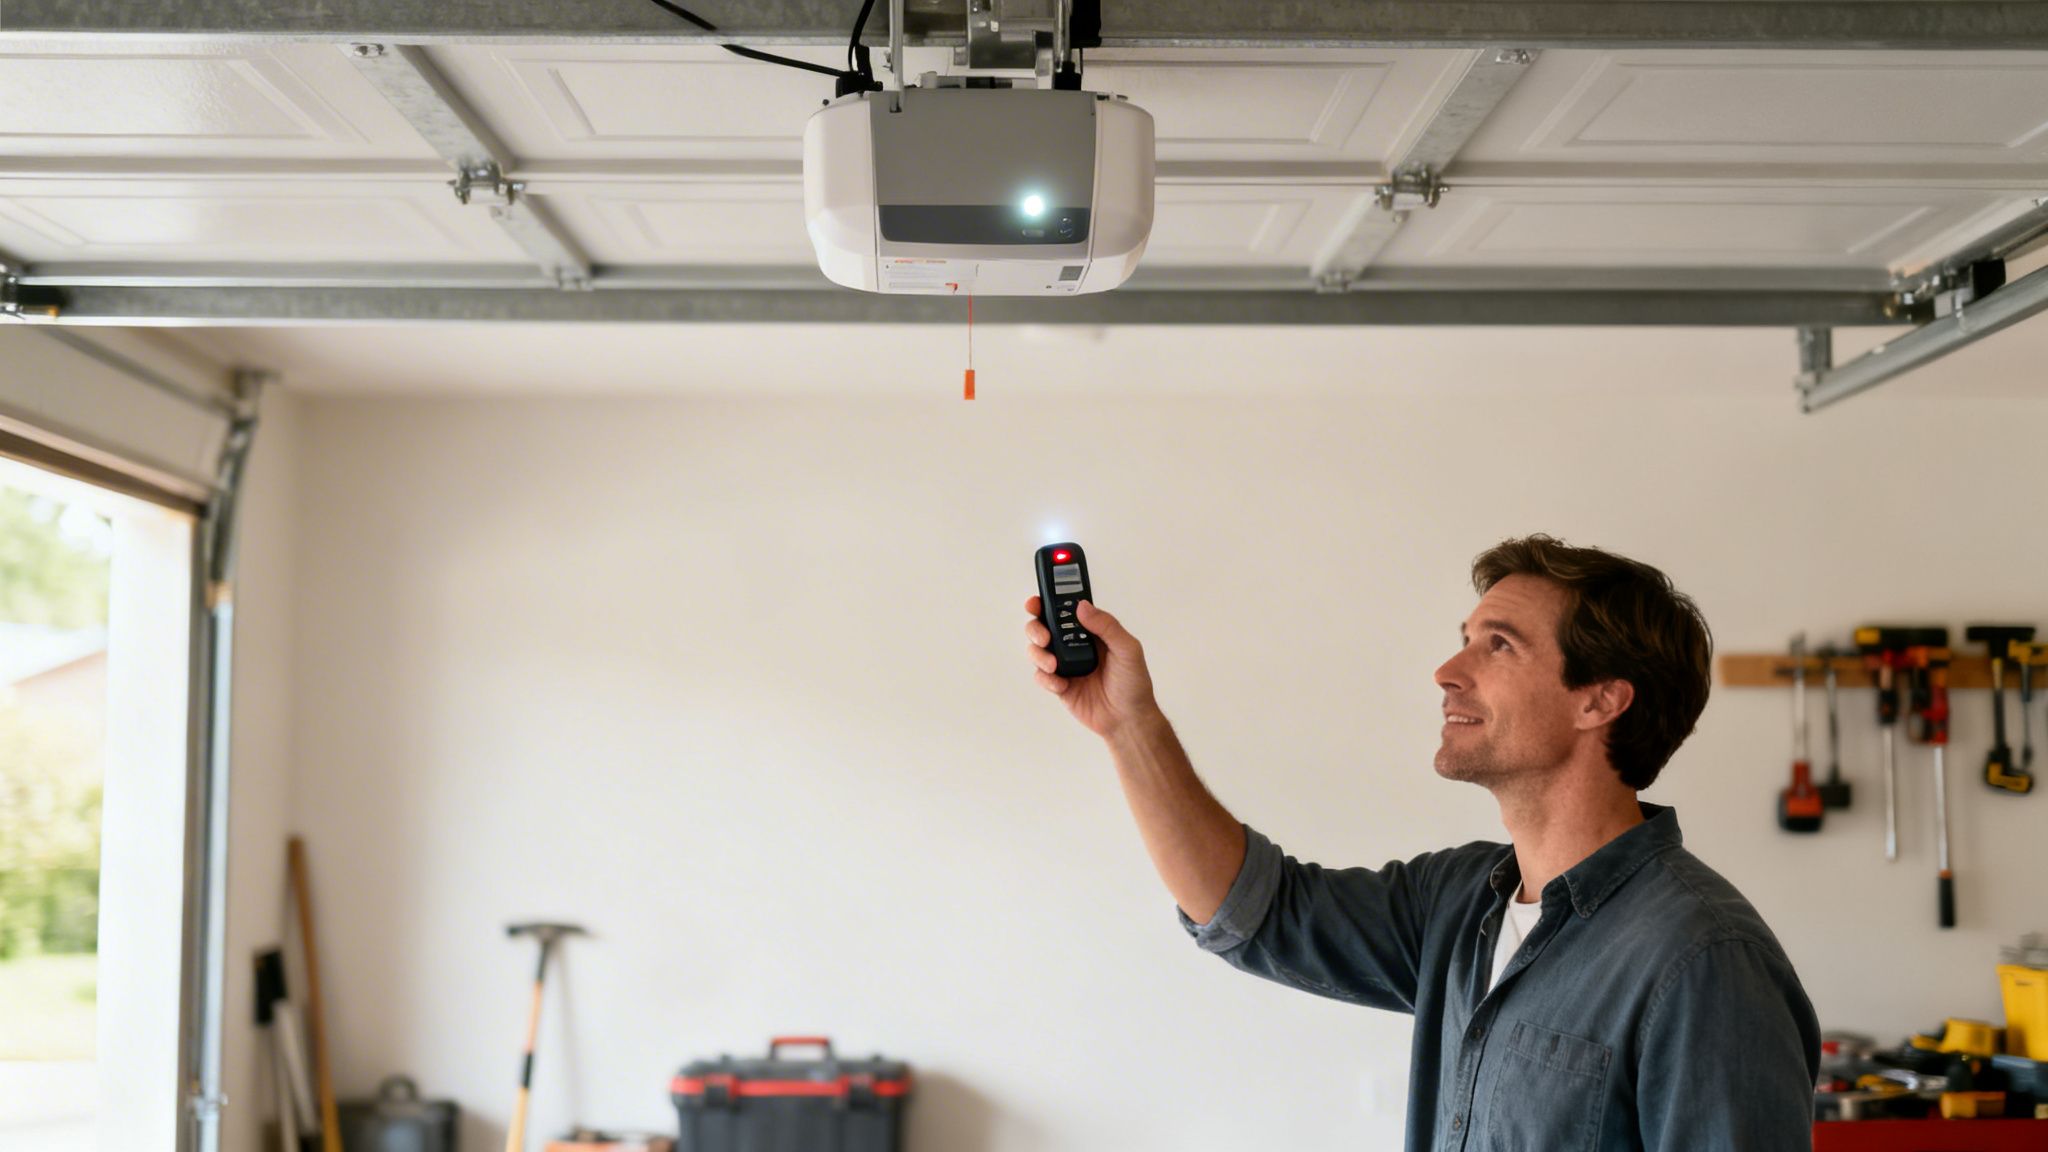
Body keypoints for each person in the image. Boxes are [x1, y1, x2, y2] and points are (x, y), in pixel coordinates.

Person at [1024, 534, 1819, 1151]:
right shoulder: (1459, 903)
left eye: (1499, 645)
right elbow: (1253, 912)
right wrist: (1130, 726)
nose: (1447, 668)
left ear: (1600, 700)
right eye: (1466, 638)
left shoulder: (1703, 961)